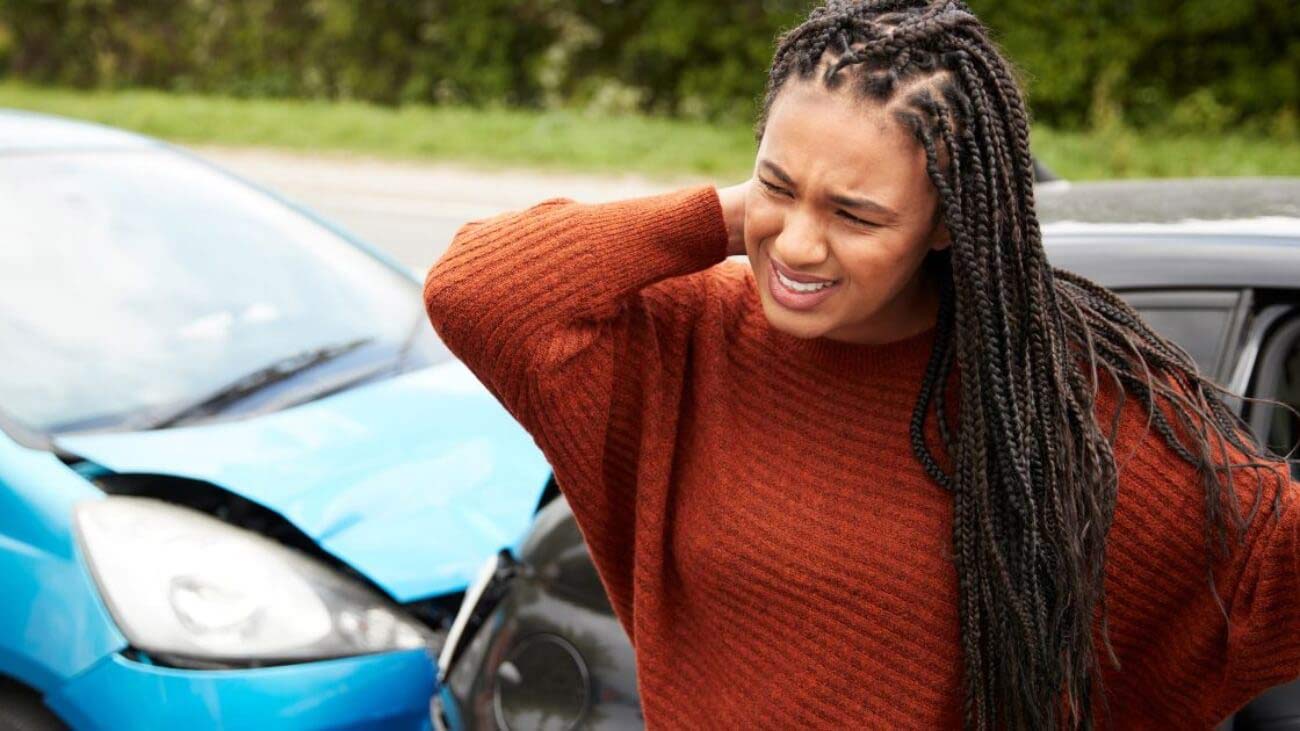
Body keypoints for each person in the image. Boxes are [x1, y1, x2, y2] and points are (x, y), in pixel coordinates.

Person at [423, 1, 1300, 728]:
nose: (799, 245)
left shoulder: (1054, 404)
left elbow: (1272, 577)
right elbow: (477, 288)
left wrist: (789, 195)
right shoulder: (686, 338)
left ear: (950, 223)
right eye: (777, 185)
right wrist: (740, 216)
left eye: (857, 213)